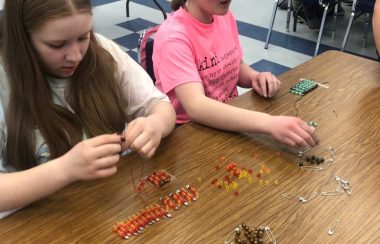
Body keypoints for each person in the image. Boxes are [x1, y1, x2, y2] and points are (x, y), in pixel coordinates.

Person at [0, 0, 176, 213]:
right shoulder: (5, 84)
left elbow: (160, 106)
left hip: (108, 206)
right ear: (22, 38)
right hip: (38, 219)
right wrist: (65, 170)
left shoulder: (102, 52)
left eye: (83, 37)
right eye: (57, 45)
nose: (75, 56)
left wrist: (155, 124)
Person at [153, 0, 319, 149]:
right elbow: (196, 106)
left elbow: (233, 65)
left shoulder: (223, 16)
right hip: (189, 133)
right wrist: (269, 123)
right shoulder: (173, 37)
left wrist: (255, 77)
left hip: (227, 119)